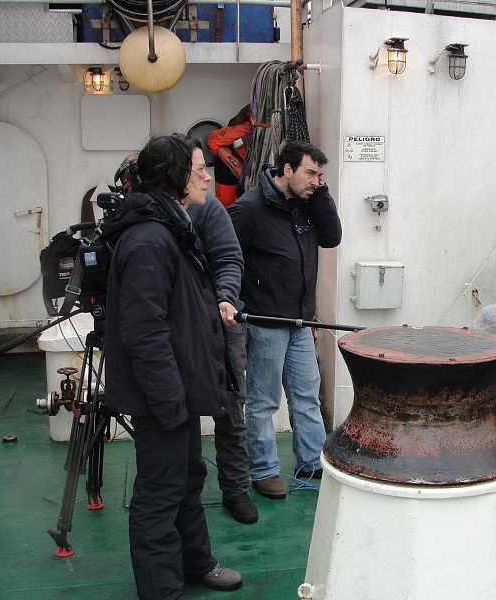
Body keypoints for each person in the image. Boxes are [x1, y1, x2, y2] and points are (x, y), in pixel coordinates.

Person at [102, 134, 242, 598]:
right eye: (200, 168)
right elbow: (145, 332)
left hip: (177, 390)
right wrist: (168, 402)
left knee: (187, 478)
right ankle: (161, 590)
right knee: (159, 494)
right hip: (161, 395)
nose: (208, 176)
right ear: (176, 176)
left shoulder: (170, 226)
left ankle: (194, 561)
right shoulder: (148, 239)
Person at [116, 154, 259, 524]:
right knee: (177, 434)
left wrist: (224, 298)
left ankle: (236, 488)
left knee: (230, 407)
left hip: (218, 326)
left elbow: (229, 256)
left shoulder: (205, 209)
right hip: (177, 333)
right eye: (200, 172)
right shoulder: (145, 229)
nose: (207, 179)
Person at [228, 140, 342, 499]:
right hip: (264, 322)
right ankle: (263, 470)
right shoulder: (249, 209)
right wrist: (233, 301)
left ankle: (312, 462)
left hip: (300, 322)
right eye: (310, 173)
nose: (316, 181)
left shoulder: (309, 204)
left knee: (307, 396)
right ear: (286, 170)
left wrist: (319, 195)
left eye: (321, 175)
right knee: (264, 401)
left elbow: (333, 237)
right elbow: (228, 257)